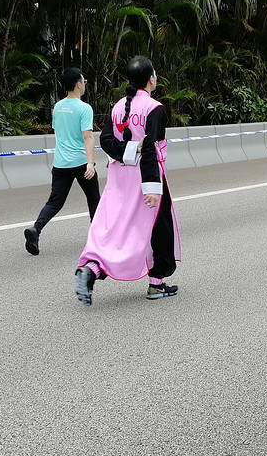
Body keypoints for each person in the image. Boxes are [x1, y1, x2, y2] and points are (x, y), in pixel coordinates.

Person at [74, 56, 180, 305]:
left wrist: (128, 151)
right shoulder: (155, 108)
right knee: (158, 229)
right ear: (151, 79)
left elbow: (107, 142)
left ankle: (92, 270)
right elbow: (152, 149)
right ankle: (156, 284)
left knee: (116, 229)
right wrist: (153, 187)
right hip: (146, 178)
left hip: (119, 178)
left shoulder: (117, 107)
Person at [24, 68, 100, 256]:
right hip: (81, 162)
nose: (84, 84)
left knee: (55, 202)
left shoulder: (58, 107)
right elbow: (88, 137)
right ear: (78, 84)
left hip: (61, 164)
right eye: (84, 81)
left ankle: (36, 229)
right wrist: (91, 163)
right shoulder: (84, 108)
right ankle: (99, 238)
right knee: (94, 199)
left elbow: (59, 132)